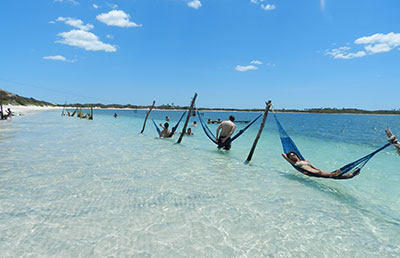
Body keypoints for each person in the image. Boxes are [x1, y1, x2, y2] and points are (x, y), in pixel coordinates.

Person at [282, 152, 360, 179]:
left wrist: (318, 169)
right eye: (291, 156)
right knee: (332, 175)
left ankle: (351, 175)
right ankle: (336, 173)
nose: (293, 156)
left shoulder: (305, 161)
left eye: (294, 155)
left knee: (333, 177)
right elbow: (283, 155)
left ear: (296, 155)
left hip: (315, 171)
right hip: (310, 172)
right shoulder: (295, 164)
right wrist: (288, 156)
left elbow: (312, 166)